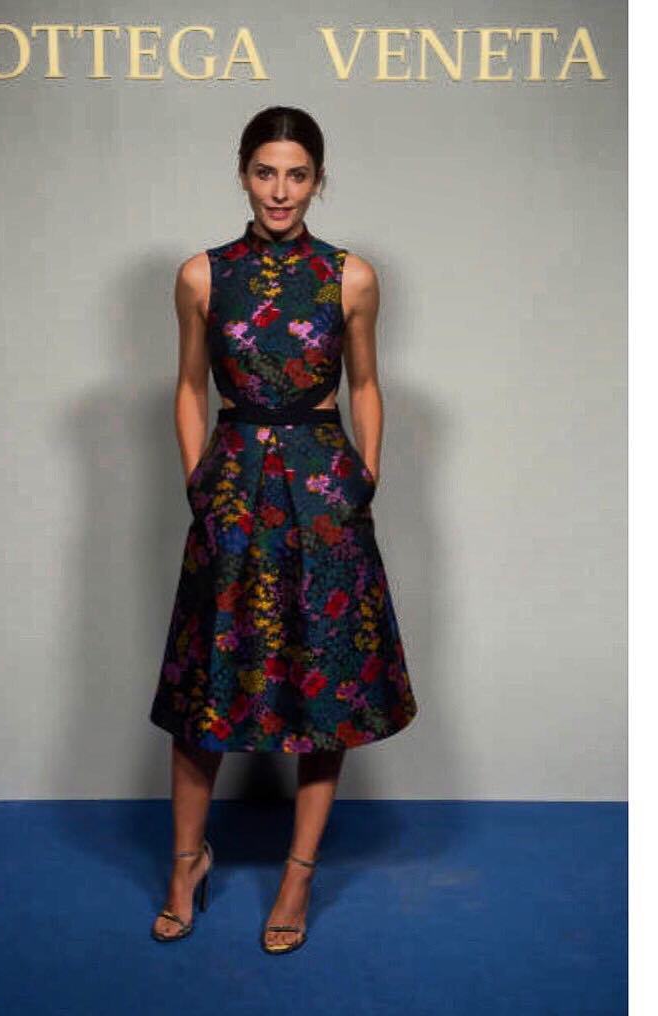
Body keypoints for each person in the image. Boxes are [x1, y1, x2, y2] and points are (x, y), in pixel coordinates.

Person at [148, 106, 418, 953]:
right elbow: (189, 385)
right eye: (266, 172)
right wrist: (197, 479)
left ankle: (299, 875)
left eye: (297, 175)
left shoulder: (350, 277)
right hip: (232, 486)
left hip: (324, 491)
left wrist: (365, 475)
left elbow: (365, 384)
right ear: (243, 174)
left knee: (325, 684)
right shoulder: (202, 275)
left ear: (317, 181)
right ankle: (185, 863)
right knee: (207, 683)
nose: (280, 191)